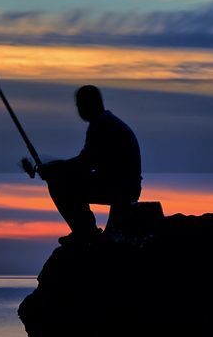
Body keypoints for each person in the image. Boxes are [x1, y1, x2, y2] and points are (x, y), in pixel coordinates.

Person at [34, 85, 141, 244]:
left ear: (91, 104)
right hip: (123, 185)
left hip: (120, 187)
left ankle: (85, 233)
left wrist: (53, 169)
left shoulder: (101, 125)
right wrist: (55, 167)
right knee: (64, 177)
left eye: (80, 104)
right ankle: (85, 231)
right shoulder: (106, 122)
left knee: (59, 183)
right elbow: (86, 163)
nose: (79, 109)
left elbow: (84, 164)